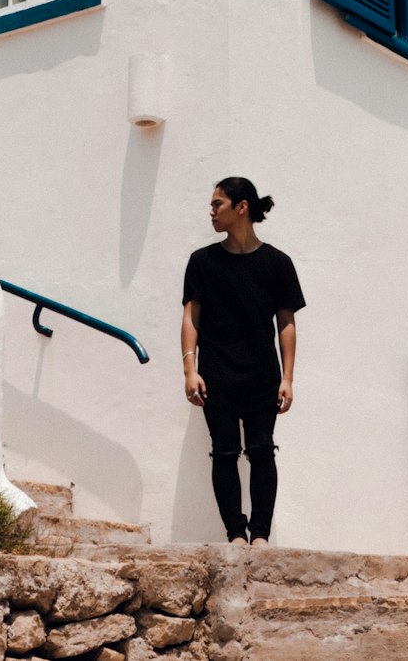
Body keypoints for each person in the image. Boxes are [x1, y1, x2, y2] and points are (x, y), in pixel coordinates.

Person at [181, 177, 306, 546]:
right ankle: (235, 533)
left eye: (217, 203)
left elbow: (286, 322)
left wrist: (288, 378)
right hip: (215, 375)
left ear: (242, 207)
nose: (211, 211)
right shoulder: (202, 262)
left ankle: (261, 536)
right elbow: (191, 317)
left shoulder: (277, 263)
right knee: (223, 452)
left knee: (262, 450)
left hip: (262, 376)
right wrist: (190, 369)